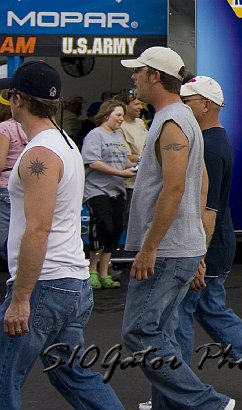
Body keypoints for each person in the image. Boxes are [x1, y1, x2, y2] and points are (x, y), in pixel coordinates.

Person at [0, 62, 125, 409]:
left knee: (3, 377)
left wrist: (21, 298)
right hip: (69, 282)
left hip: (46, 285)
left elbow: (38, 228)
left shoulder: (39, 153)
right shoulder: (65, 142)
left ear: (18, 99)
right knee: (72, 373)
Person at [120, 46, 234, 409]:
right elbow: (198, 185)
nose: (133, 77)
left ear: (155, 76)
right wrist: (197, 247)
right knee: (163, 333)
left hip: (167, 250)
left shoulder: (173, 121)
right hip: (179, 247)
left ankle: (208, 403)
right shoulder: (181, 119)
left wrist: (150, 246)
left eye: (138, 71)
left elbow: (175, 186)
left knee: (139, 331)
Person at [176, 76, 242, 404]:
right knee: (210, 312)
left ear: (205, 104)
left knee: (179, 316)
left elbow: (208, 208)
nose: (181, 105)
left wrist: (197, 257)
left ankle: (177, 392)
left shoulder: (209, 146)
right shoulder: (211, 141)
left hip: (207, 247)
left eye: (186, 100)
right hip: (213, 245)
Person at [81, 99, 134, 289]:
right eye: (118, 115)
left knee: (114, 230)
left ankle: (104, 273)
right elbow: (93, 162)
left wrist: (136, 165)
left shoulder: (118, 135)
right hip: (98, 190)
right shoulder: (95, 135)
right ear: (106, 115)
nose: (121, 119)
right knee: (102, 227)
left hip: (117, 191)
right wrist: (121, 173)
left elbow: (124, 161)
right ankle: (92, 271)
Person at [0, 99, 29, 266]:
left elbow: (1, 163)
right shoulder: (27, 128)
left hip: (5, 186)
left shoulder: (5, 128)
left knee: (5, 239)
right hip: (24, 185)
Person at [119, 91, 149, 233]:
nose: (140, 107)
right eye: (136, 104)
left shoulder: (139, 123)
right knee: (126, 223)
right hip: (129, 185)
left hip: (146, 182)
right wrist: (145, 158)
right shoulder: (119, 126)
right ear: (125, 106)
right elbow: (125, 156)